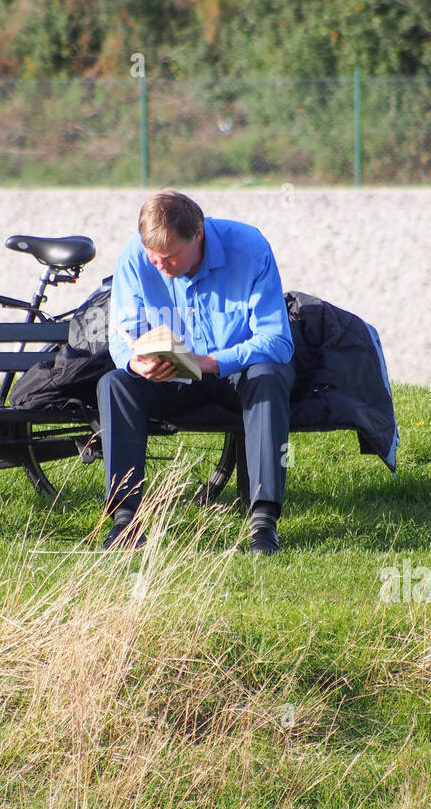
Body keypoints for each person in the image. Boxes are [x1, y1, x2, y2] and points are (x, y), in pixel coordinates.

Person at [98, 189, 295, 553]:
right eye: (153, 259)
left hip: (238, 377)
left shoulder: (250, 247)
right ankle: (125, 521)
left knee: (268, 376)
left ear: (198, 234)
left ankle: (264, 523)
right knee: (115, 383)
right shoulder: (134, 257)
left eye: (169, 257)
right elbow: (121, 337)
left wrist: (211, 362)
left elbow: (278, 341)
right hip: (170, 378)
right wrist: (136, 362)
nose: (160, 266)